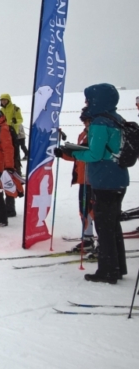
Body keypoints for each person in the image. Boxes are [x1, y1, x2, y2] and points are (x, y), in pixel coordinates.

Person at [60, 83, 129, 284]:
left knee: (104, 227)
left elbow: (95, 154)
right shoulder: (116, 119)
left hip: (104, 179)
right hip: (118, 178)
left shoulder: (100, 122)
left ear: (98, 100)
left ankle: (108, 271)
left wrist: (73, 153)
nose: (86, 102)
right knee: (113, 225)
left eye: (89, 99)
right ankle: (118, 267)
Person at [55, 108, 95, 252]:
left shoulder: (98, 133)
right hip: (83, 178)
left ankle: (103, 243)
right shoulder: (83, 134)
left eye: (88, 120)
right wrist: (63, 154)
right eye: (84, 120)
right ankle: (88, 238)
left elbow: (94, 153)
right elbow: (78, 156)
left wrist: (80, 150)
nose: (86, 123)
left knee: (95, 211)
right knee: (84, 209)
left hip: (94, 178)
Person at [0, 94, 23, 217]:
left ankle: (10, 208)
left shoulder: (15, 108)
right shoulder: (0, 110)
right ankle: (7, 207)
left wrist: (15, 121)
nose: (3, 102)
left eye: (5, 100)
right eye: (2, 100)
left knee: (9, 177)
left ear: (8, 100)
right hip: (4, 133)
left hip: (13, 133)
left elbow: (20, 119)